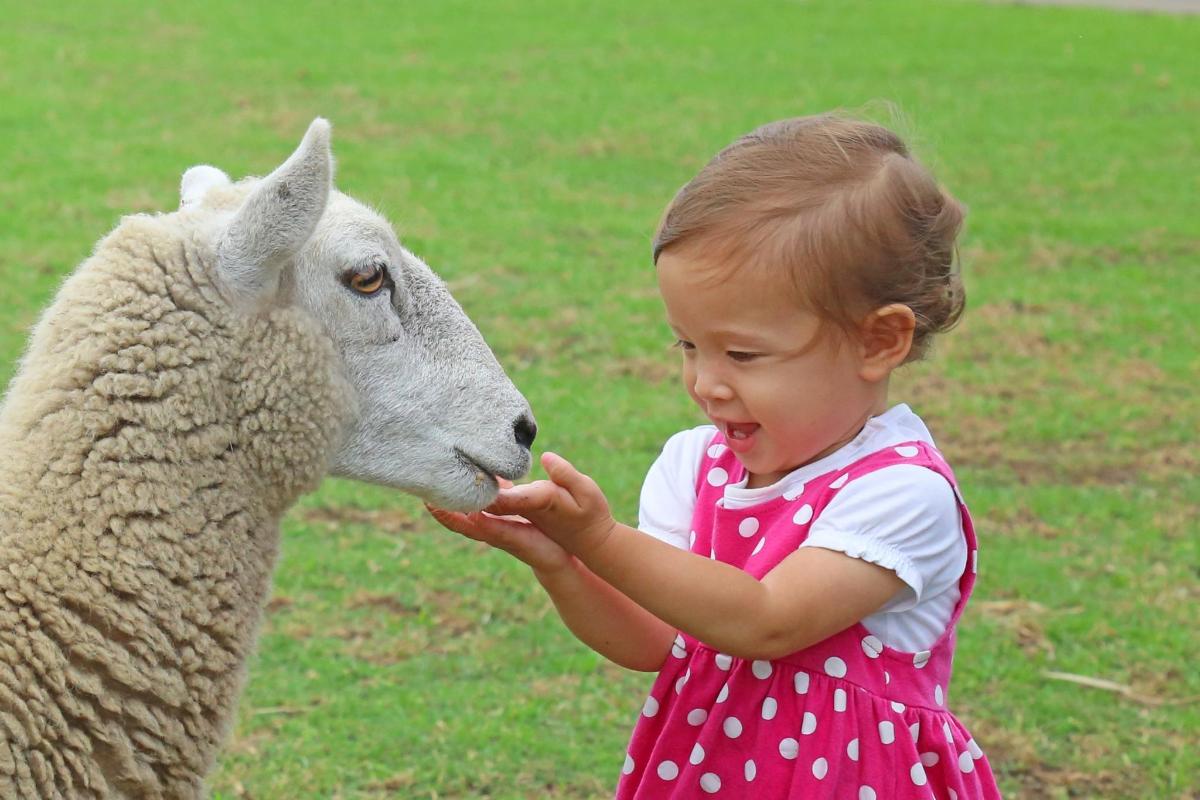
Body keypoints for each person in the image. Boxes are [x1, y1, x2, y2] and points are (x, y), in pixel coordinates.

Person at [428, 113, 1003, 799]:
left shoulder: (902, 493)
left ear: (879, 342)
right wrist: (561, 560)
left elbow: (767, 621)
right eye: (688, 345)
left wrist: (600, 539)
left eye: (743, 354)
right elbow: (655, 643)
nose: (706, 382)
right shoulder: (693, 466)